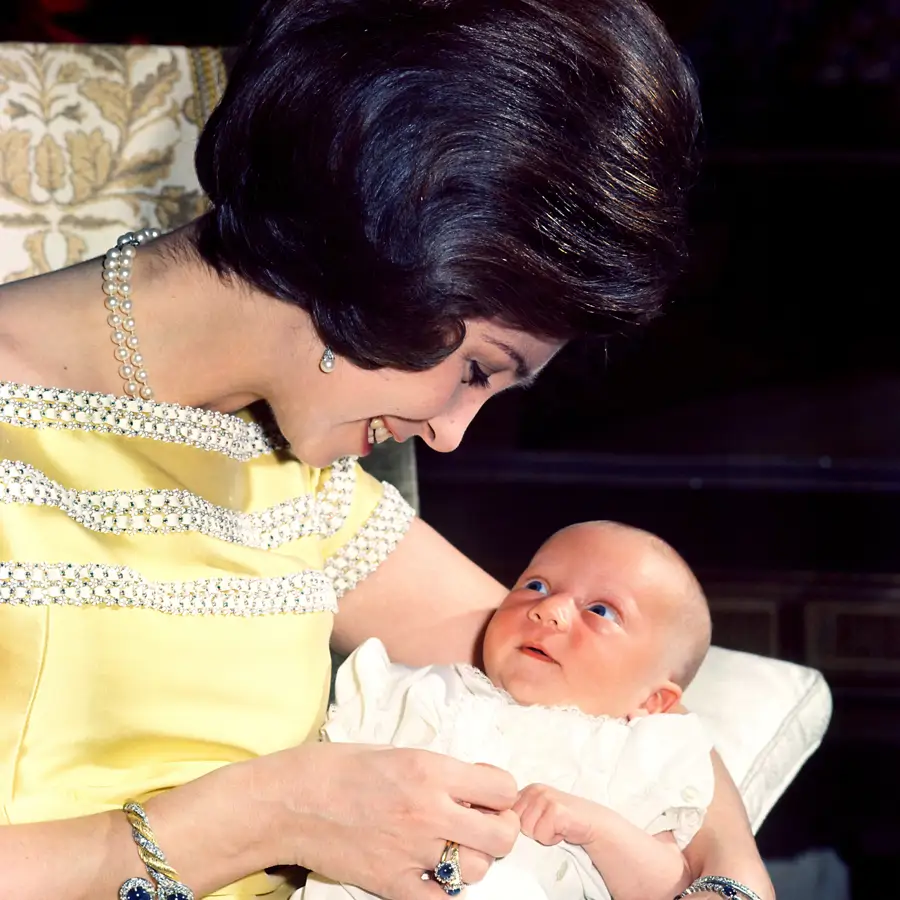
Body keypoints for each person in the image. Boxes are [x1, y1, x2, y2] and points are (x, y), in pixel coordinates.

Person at [0, 1, 773, 899]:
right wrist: (261, 818)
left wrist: (728, 873)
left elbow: (614, 696)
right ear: (376, 247)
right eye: (477, 368)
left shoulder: (302, 477)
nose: (449, 434)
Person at [304, 521, 716, 900]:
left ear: (652, 701)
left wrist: (595, 828)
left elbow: (667, 886)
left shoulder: (631, 755)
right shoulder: (421, 693)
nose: (548, 610)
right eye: (536, 585)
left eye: (600, 611)